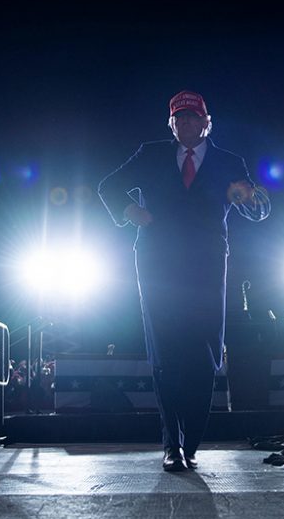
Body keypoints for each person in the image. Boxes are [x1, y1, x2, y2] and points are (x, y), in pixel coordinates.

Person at [98, 90, 269, 472]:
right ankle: (171, 444)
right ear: (170, 124)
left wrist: (253, 199)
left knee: (205, 356)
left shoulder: (228, 162)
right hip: (158, 268)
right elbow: (107, 185)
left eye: (192, 117)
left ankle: (191, 440)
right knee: (165, 356)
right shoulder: (151, 154)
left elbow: (257, 210)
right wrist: (129, 210)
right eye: (178, 118)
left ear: (207, 122)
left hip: (206, 271)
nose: (185, 123)